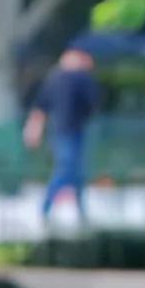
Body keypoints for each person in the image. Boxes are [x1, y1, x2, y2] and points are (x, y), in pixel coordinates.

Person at [25, 46, 99, 224]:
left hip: (68, 130)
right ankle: (47, 208)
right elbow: (42, 106)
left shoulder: (60, 77)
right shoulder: (69, 78)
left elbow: (41, 107)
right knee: (67, 169)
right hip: (65, 131)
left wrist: (34, 128)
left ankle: (79, 211)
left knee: (76, 171)